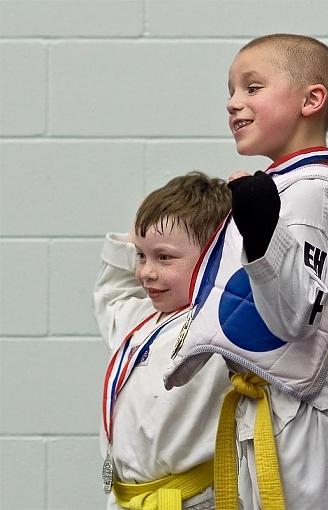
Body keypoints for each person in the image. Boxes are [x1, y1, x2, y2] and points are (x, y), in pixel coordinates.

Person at [164, 34, 328, 510]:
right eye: (230, 91)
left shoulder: (309, 191)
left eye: (252, 87)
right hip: (273, 401)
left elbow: (291, 318)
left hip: (301, 409)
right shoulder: (290, 186)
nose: (233, 103)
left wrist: (266, 234)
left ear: (312, 99)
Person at [93, 171, 232, 510]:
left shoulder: (223, 325)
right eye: (141, 256)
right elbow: (111, 293)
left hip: (193, 500)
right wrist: (132, 237)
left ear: (215, 256)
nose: (145, 272)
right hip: (125, 499)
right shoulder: (138, 319)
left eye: (164, 257)